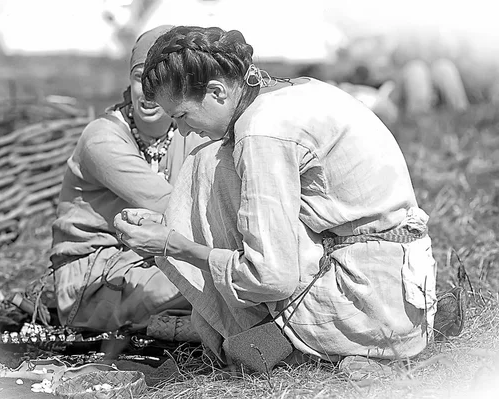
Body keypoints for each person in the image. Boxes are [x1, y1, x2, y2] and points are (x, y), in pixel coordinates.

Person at [113, 26, 437, 370]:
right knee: (211, 157)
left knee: (207, 166)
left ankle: (266, 336)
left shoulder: (263, 131)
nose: (182, 130)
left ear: (217, 91)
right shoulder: (292, 90)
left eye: (181, 115)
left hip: (370, 308)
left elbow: (271, 277)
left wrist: (174, 245)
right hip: (404, 290)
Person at [49, 25, 206, 332]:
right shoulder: (102, 141)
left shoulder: (187, 132)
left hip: (159, 257)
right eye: (139, 77)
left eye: (159, 81)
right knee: (208, 283)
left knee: (220, 281)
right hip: (95, 278)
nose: (147, 92)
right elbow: (171, 206)